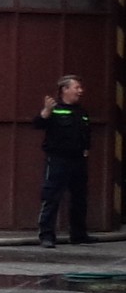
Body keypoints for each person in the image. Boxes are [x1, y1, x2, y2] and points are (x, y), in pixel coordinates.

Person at [35, 76, 93, 247]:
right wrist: (45, 112)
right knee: (51, 196)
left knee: (79, 198)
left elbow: (86, 134)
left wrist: (86, 149)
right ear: (64, 90)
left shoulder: (82, 112)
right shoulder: (55, 110)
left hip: (78, 160)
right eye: (77, 87)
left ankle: (78, 235)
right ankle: (46, 236)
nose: (80, 91)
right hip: (58, 160)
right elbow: (37, 124)